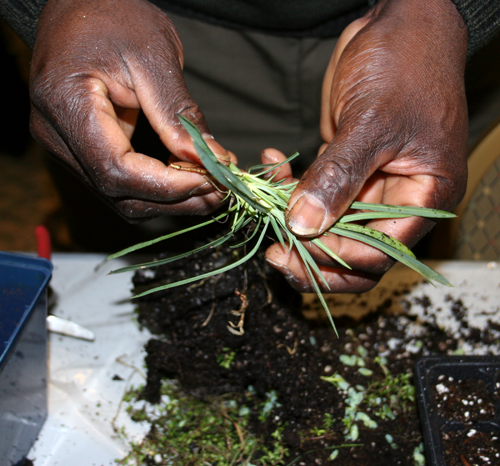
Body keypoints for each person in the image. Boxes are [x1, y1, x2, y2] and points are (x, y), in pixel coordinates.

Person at [1, 0, 500, 292]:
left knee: (390, 248)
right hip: (156, 30)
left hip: (417, 44)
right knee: (140, 252)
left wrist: (453, 9)